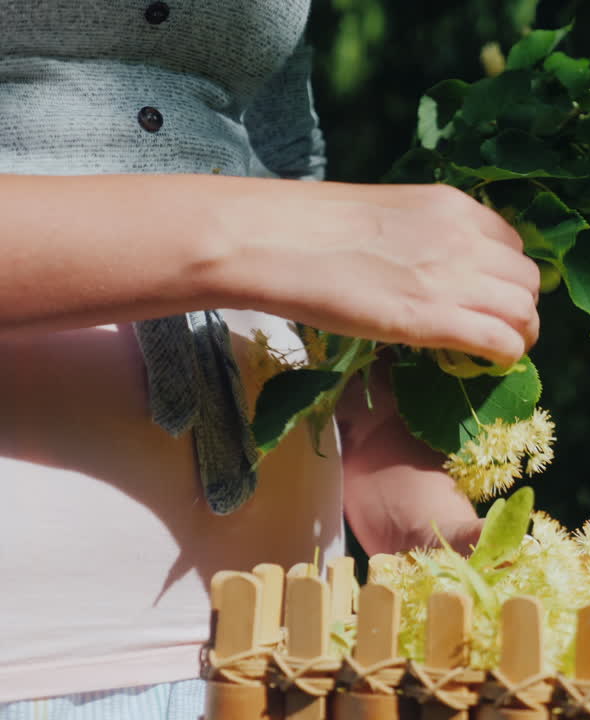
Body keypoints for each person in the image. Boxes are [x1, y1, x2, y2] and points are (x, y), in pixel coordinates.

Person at [0, 1, 540, 715]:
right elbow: (281, 233)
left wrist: (421, 519)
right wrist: (263, 230)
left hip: (299, 662)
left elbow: (287, 191)